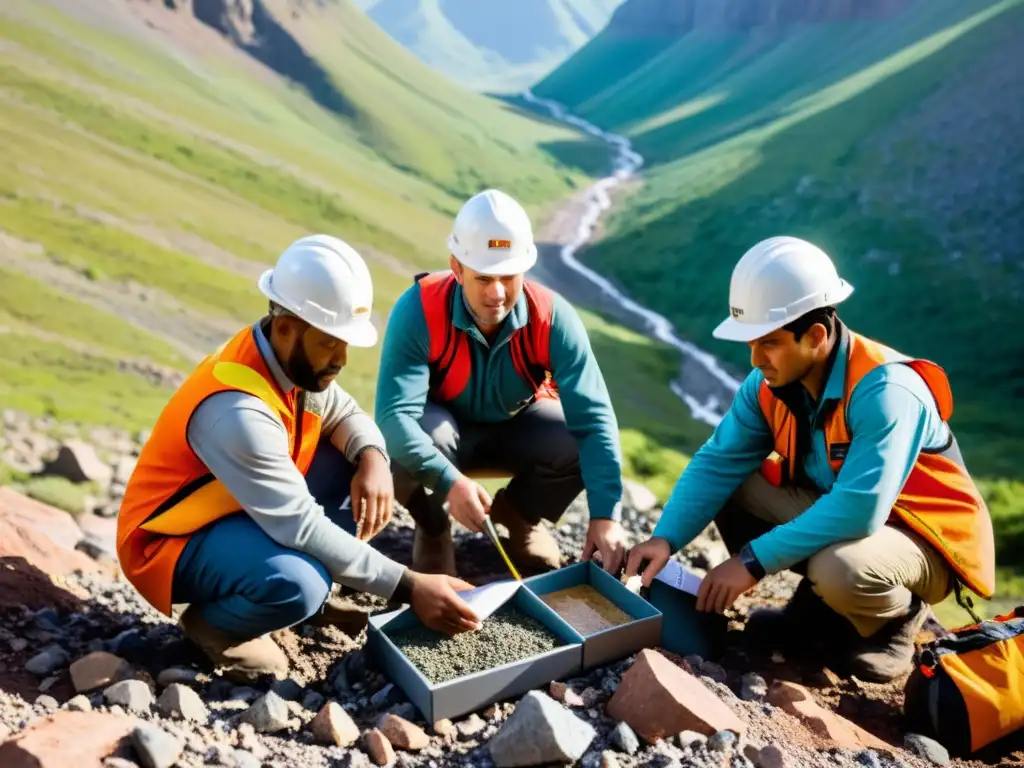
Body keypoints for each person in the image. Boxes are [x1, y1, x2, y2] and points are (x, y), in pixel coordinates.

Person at [625, 236, 996, 682]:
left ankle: (894, 623)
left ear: (816, 336)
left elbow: (859, 510)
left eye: (770, 343)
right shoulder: (768, 383)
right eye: (750, 343)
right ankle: (812, 613)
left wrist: (750, 562)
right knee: (732, 483)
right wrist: (664, 540)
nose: (756, 358)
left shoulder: (887, 393)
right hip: (848, 513)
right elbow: (717, 462)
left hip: (923, 538)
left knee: (840, 568)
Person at [117, 235, 481, 683]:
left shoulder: (285, 358)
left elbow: (344, 413)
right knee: (299, 583)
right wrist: (412, 586)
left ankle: (301, 588)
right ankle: (212, 628)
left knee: (351, 465)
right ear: (288, 326)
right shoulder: (236, 411)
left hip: (234, 510)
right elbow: (301, 525)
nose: (342, 359)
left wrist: (372, 459)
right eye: (331, 343)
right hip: (169, 540)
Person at [374, 189, 629, 578]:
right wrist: (450, 482)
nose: (497, 293)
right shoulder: (419, 309)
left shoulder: (553, 318)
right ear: (457, 269)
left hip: (517, 428)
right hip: (442, 436)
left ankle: (517, 517)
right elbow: (393, 417)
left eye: (508, 277)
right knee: (417, 440)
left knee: (575, 438)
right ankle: (434, 528)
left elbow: (595, 420)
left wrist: (605, 515)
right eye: (483, 278)